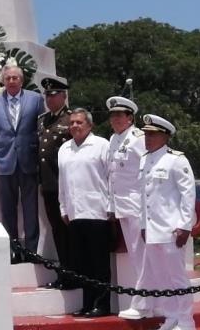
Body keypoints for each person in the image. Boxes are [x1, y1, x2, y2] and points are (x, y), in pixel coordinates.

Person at [134, 114, 196, 330]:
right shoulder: (144, 160)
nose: (147, 138)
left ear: (165, 136)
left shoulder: (176, 160)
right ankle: (171, 317)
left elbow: (188, 194)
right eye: (146, 134)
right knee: (161, 278)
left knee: (177, 278)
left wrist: (185, 226)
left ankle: (187, 321)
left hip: (171, 230)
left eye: (152, 134)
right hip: (152, 230)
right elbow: (144, 198)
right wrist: (143, 225)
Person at [0, 65, 45, 262]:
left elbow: (41, 130)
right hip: (3, 161)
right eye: (8, 78)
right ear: (3, 80)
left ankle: (32, 250)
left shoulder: (35, 100)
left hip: (29, 160)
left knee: (30, 208)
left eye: (15, 78)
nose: (11, 81)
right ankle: (13, 250)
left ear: (22, 81)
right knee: (7, 209)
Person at [58, 108, 113, 318]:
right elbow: (63, 182)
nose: (74, 126)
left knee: (98, 262)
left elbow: (111, 177)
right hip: (74, 213)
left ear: (89, 125)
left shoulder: (101, 145)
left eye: (79, 122)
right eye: (71, 123)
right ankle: (87, 303)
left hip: (97, 211)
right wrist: (63, 207)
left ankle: (102, 304)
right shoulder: (64, 148)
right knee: (81, 264)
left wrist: (111, 206)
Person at [104, 96, 149, 319]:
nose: (115, 119)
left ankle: (142, 304)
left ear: (130, 118)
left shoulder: (138, 139)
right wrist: (111, 205)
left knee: (141, 256)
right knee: (135, 256)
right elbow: (113, 175)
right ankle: (146, 301)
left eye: (119, 115)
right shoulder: (114, 139)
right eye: (112, 115)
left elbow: (146, 172)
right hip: (122, 206)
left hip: (137, 206)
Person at [36, 74, 74, 288]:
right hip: (49, 185)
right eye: (47, 96)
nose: (50, 99)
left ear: (63, 96)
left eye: (54, 95)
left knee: (69, 231)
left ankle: (74, 273)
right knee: (58, 231)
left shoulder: (71, 119)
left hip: (66, 185)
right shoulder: (43, 120)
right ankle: (65, 274)